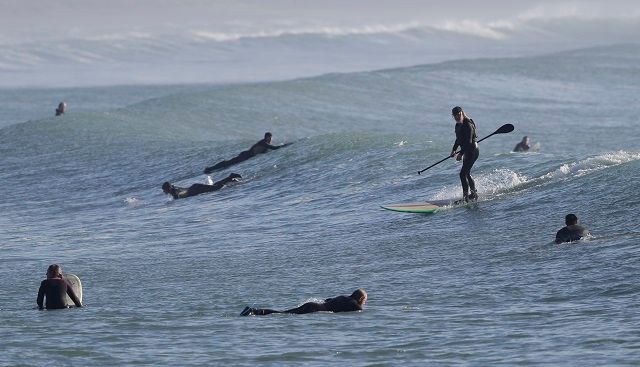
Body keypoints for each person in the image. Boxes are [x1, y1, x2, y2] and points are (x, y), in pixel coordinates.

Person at [204, 132, 290, 174]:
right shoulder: (264, 143)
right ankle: (210, 169)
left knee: (229, 163)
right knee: (228, 163)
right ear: (267, 137)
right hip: (245, 155)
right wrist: (285, 145)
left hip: (246, 155)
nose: (271, 139)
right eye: (270, 138)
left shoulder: (265, 143)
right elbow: (274, 148)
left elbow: (265, 151)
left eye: (271, 138)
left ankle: (211, 169)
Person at [240, 288, 367, 316]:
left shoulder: (342, 296)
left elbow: (328, 300)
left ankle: (254, 311)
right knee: (283, 314)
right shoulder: (353, 304)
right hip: (314, 309)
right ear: (360, 299)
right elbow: (359, 310)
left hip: (313, 306)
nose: (364, 303)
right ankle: (253, 311)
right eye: (365, 301)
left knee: (283, 313)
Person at [449, 106, 479, 202]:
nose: (457, 117)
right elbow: (458, 139)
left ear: (462, 113)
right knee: (466, 173)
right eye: (455, 116)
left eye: (458, 115)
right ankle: (474, 194)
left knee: (462, 174)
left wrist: (461, 153)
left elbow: (469, 141)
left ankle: (466, 197)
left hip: (473, 150)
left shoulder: (468, 124)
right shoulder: (458, 125)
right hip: (466, 150)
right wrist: (454, 150)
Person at [162, 173, 241, 199]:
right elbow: (185, 190)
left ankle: (230, 177)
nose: (164, 191)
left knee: (216, 188)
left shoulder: (173, 193)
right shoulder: (174, 189)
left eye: (164, 190)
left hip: (196, 189)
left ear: (167, 189)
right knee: (215, 186)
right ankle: (231, 178)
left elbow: (183, 195)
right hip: (195, 188)